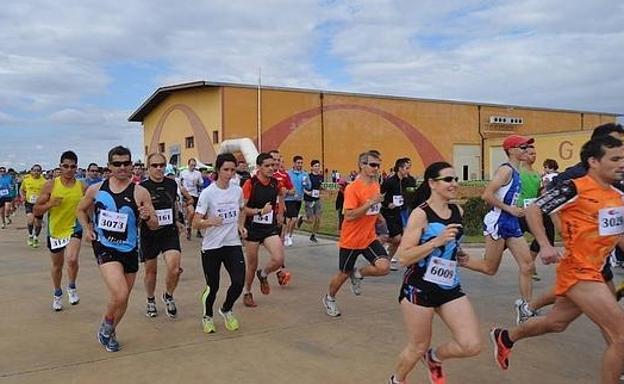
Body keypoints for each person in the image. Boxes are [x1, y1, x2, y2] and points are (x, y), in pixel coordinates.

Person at [490, 135, 624, 383]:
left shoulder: (616, 195)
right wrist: (544, 245)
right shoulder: (575, 187)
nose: (621, 164)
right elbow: (534, 209)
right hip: (579, 272)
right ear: (594, 162)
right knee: (621, 336)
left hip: (596, 271)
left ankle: (506, 337)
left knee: (556, 323)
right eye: (614, 159)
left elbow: (617, 236)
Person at [389, 162, 481, 384]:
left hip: (449, 286)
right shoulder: (421, 214)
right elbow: (402, 257)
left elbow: (451, 244)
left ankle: (435, 357)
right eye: (448, 180)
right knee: (417, 346)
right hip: (419, 288)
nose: (454, 184)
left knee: (471, 344)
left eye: (455, 179)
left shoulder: (457, 211)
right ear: (432, 183)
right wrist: (435, 242)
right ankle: (397, 380)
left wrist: (457, 253)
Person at [77, 146, 158, 352]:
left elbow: (155, 225)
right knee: (120, 293)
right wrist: (87, 228)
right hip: (105, 247)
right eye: (117, 164)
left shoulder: (140, 192)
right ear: (109, 166)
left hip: (129, 249)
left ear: (131, 164)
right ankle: (106, 327)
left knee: (122, 300)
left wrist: (148, 216)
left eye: (126, 163)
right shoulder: (96, 189)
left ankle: (111, 330)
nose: (122, 167)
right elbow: (80, 209)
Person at [461, 134, 536, 324]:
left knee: (527, 265)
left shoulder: (517, 171)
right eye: (523, 147)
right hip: (498, 221)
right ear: (511, 150)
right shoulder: (506, 170)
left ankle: (526, 306)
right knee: (489, 268)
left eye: (527, 147)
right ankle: (455, 259)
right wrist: (510, 208)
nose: (526, 150)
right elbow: (487, 195)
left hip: (511, 222)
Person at [322, 151, 390, 317]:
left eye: (378, 165)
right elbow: (349, 215)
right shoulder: (353, 188)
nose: (376, 168)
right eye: (373, 165)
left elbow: (373, 208)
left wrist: (380, 217)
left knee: (384, 267)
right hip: (351, 239)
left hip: (368, 237)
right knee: (343, 274)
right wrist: (371, 203)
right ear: (362, 165)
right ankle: (329, 298)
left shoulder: (375, 185)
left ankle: (358, 273)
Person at [193, 153, 247, 333]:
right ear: (218, 170)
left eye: (232, 170)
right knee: (213, 286)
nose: (229, 173)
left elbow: (242, 209)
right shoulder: (208, 193)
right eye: (226, 169)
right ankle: (207, 316)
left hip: (232, 243)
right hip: (212, 246)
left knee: (239, 282)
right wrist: (210, 222)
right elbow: (195, 222)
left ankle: (226, 309)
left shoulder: (237, 190)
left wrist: (240, 226)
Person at [34, 151, 85, 311]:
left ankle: (71, 286)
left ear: (77, 168)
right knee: (57, 265)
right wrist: (50, 204)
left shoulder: (82, 186)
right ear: (60, 166)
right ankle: (57, 293)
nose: (69, 169)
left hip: (74, 228)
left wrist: (90, 225)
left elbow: (89, 207)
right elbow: (36, 210)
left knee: (71, 259)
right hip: (55, 230)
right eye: (66, 166)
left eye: (72, 166)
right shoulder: (51, 185)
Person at [140, 153, 183, 318]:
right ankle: (150, 300)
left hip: (169, 232)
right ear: (148, 168)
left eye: (162, 165)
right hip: (149, 234)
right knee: (151, 272)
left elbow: (173, 204)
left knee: (175, 268)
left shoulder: (172, 184)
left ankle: (168, 295)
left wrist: (178, 220)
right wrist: (144, 216)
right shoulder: (141, 188)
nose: (159, 169)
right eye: (155, 165)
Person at [241, 153, 286, 308]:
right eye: (267, 166)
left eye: (273, 165)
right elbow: (243, 209)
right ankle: (247, 292)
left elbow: (281, 195)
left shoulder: (275, 183)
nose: (271, 168)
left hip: (269, 228)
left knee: (279, 258)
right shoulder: (250, 184)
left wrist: (280, 212)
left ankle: (264, 273)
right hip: (252, 229)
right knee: (252, 265)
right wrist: (260, 211)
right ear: (259, 167)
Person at [381, 158, 417, 271]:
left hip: (400, 211)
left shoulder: (408, 181)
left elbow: (412, 193)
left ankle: (387, 260)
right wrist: (387, 204)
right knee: (396, 238)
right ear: (400, 168)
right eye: (406, 168)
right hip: (389, 213)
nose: (408, 170)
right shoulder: (390, 182)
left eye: (409, 168)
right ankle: (376, 241)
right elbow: (379, 196)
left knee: (399, 240)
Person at [298, 159, 324, 242]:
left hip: (317, 200)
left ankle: (313, 235)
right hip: (309, 200)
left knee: (318, 219)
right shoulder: (308, 176)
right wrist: (307, 192)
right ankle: (301, 219)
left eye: (318, 166)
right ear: (311, 167)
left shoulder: (320, 177)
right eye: (315, 166)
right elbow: (303, 187)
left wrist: (321, 191)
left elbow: (320, 187)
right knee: (311, 220)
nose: (317, 167)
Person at [20, 164, 46, 247]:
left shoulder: (44, 181)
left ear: (41, 172)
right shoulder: (26, 180)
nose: (36, 172)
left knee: (38, 223)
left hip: (39, 204)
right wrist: (23, 196)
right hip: (29, 203)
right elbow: (21, 190)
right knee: (30, 220)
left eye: (38, 170)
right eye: (34, 170)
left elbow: (48, 193)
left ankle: (36, 237)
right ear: (31, 171)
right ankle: (30, 235)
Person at [180, 158, 203, 240]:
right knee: (191, 212)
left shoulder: (198, 173)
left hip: (195, 195)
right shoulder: (183, 173)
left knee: (198, 213)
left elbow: (201, 183)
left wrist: (198, 183)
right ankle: (189, 227)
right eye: (191, 165)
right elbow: (180, 184)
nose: (192, 167)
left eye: (194, 165)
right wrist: (182, 193)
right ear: (188, 164)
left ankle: (198, 230)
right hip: (187, 195)